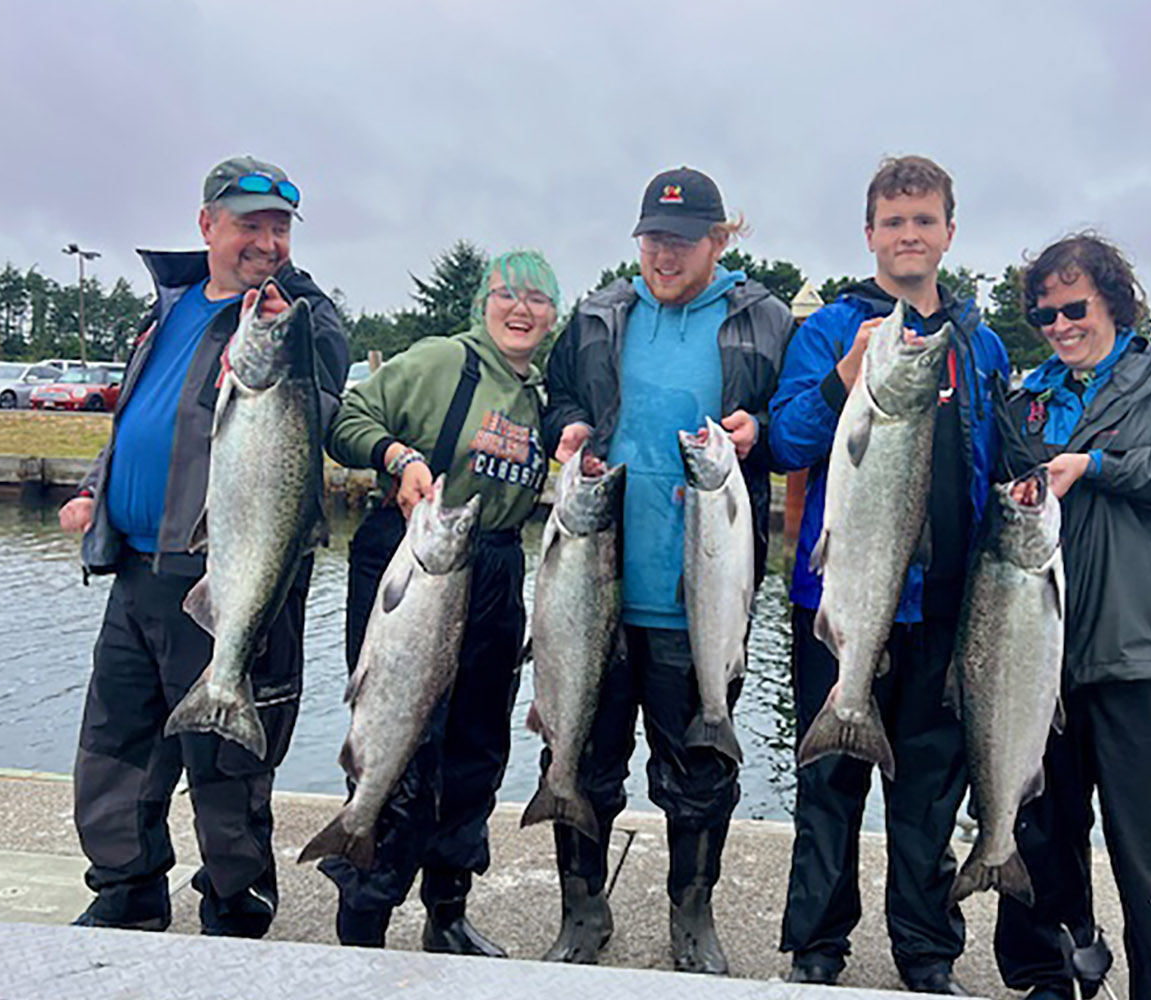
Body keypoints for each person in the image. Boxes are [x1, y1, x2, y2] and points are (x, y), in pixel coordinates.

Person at [60, 156, 348, 936]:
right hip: (136, 571)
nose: (268, 241)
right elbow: (141, 419)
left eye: (280, 227)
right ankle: (127, 892)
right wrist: (96, 488)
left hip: (232, 572)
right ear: (207, 226)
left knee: (228, 770)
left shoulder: (297, 317)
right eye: (250, 224)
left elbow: (320, 390)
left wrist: (295, 319)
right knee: (115, 750)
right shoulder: (170, 308)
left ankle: (235, 908)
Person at [540, 166, 793, 974]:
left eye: (682, 241)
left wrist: (766, 432)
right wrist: (574, 426)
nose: (664, 254)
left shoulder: (766, 320)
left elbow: (798, 427)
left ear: (721, 241)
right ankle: (582, 909)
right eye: (653, 238)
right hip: (594, 590)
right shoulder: (596, 316)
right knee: (579, 755)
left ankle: (694, 915)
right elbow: (557, 399)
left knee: (700, 772)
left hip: (705, 599)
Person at [767, 155, 1010, 993]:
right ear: (869, 234)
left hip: (947, 611)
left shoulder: (980, 344)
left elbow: (998, 461)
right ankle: (818, 946)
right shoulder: (831, 330)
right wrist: (842, 381)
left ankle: (927, 952)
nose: (910, 235)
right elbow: (787, 442)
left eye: (925, 220)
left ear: (949, 230)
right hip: (839, 601)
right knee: (828, 784)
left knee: (929, 795)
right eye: (894, 221)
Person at [993, 233, 1151, 1000]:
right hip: (1041, 657)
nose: (1061, 325)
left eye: (1075, 307)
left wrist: (1100, 466)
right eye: (1045, 315)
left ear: (1115, 300)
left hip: (1148, 654)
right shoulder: (1024, 400)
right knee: (1039, 834)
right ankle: (1049, 976)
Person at [317, 250, 556, 954]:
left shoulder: (538, 396)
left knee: (477, 744)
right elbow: (347, 420)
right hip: (412, 553)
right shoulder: (440, 361)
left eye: (538, 300)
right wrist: (399, 458)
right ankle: (364, 909)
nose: (521, 310)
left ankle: (446, 909)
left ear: (553, 315)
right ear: (483, 302)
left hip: (496, 564)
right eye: (507, 295)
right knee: (401, 737)